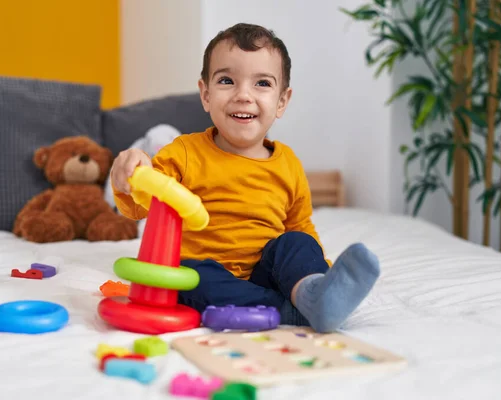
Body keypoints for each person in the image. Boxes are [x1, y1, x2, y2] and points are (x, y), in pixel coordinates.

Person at [110, 22, 380, 333]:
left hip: (267, 273)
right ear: (206, 94)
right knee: (193, 278)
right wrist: (127, 175)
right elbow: (140, 206)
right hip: (207, 276)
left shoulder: (288, 164)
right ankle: (292, 311)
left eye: (262, 84)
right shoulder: (183, 152)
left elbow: (300, 227)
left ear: (281, 101)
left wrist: (315, 271)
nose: (243, 95)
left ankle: (314, 294)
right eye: (227, 80)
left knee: (295, 242)